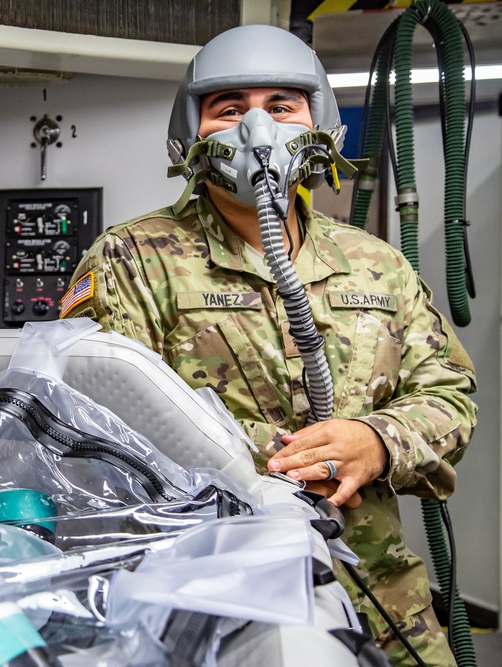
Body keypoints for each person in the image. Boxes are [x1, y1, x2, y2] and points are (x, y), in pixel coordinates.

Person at [60, 24, 477, 667]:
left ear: (320, 125)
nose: (259, 130)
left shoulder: (377, 264)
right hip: (216, 598)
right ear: (192, 133)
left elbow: (450, 396)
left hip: (382, 597)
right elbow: (99, 430)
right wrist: (277, 462)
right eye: (229, 109)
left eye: (282, 106)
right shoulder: (131, 257)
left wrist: (376, 442)